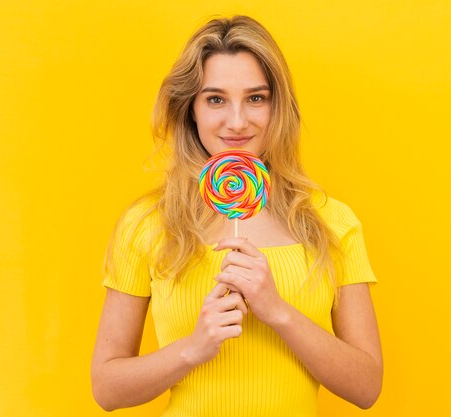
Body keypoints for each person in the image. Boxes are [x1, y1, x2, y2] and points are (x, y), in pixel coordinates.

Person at [91, 15, 383, 416]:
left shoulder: (332, 223)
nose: (237, 121)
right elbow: (107, 389)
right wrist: (193, 349)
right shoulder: (147, 224)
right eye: (215, 99)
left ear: (277, 106)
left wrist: (277, 310)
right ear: (190, 108)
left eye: (256, 98)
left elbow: (366, 387)